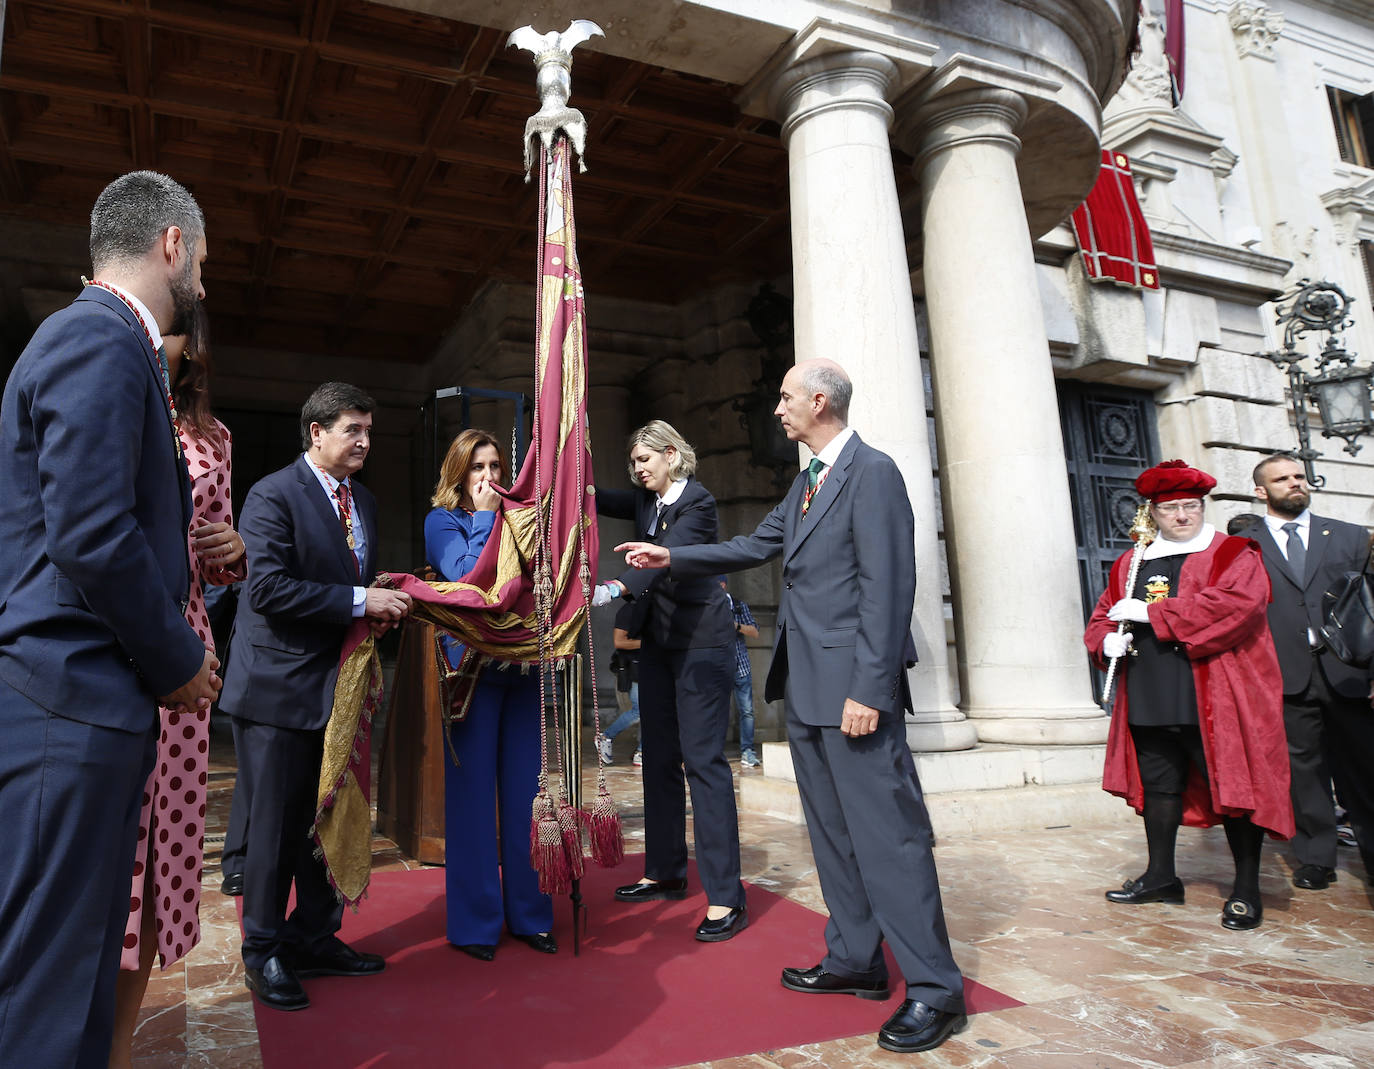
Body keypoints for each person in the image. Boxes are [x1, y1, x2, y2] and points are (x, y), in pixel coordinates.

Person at [614, 361, 966, 1055]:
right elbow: (753, 546)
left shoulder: (874, 471)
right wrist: (669, 557)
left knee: (889, 838)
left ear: (819, 400)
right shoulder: (807, 481)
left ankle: (934, 988)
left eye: (784, 396)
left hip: (853, 694)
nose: (776, 408)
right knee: (832, 836)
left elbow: (890, 587)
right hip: (804, 689)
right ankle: (855, 957)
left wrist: (869, 687)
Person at [0, 170, 221, 1068]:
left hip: (87, 708)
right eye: (202, 259)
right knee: (45, 993)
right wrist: (178, 659)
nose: (204, 280)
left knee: (84, 974)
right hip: (67, 705)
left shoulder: (105, 342)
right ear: (172, 243)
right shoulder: (98, 338)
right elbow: (92, 532)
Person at [219, 381, 411, 1011]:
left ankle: (316, 936)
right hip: (277, 690)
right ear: (317, 433)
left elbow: (345, 587)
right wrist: (361, 601)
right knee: (274, 831)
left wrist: (373, 613)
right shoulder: (272, 494)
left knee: (324, 822)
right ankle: (265, 952)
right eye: (352, 430)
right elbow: (268, 590)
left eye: (368, 430)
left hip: (338, 691)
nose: (364, 441)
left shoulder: (367, 504)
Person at [110, 307, 247, 1068]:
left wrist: (234, 551)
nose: (173, 343)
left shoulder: (214, 438)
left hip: (187, 655)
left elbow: (217, 552)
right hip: (107, 650)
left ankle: (119, 1050)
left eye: (184, 329)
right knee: (105, 857)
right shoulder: (109, 397)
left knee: (161, 861)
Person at [1084, 459, 1294, 931]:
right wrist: (1104, 641)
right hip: (1150, 693)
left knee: (1233, 791)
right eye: (1171, 508)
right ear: (1152, 514)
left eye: (1191, 507)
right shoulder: (1131, 560)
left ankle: (1245, 889)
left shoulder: (1233, 553)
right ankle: (1161, 877)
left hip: (1214, 694)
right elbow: (1104, 614)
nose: (1183, 517)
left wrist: (1155, 615)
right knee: (1160, 787)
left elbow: (1238, 606)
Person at [592, 420, 748, 942]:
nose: (637, 469)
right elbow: (594, 497)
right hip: (657, 647)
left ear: (671, 454)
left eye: (644, 459)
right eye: (633, 462)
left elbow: (663, 561)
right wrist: (562, 478)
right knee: (658, 757)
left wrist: (615, 585)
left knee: (703, 762)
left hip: (701, 646)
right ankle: (663, 871)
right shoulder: (645, 502)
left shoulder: (696, 504)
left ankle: (727, 896)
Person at [423, 428, 555, 961]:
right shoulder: (444, 521)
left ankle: (530, 914)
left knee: (528, 795)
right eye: (478, 468)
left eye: (497, 467)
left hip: (521, 668)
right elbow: (465, 577)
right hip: (471, 673)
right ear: (459, 474)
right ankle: (476, 924)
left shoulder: (521, 522)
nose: (490, 478)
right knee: (473, 799)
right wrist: (483, 519)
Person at [1249, 453, 1374, 889]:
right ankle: (1316, 858)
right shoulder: (1244, 545)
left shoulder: (1352, 538)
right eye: (1282, 479)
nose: (1294, 483)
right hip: (1283, 676)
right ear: (1262, 491)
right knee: (1303, 773)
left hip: (1349, 674)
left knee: (1364, 768)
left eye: (1299, 476)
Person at [721, 577, 761, 767]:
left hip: (741, 666)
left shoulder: (738, 605)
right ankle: (714, 752)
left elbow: (755, 631)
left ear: (723, 585)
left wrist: (735, 625)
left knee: (747, 711)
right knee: (717, 711)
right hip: (718, 668)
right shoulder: (706, 606)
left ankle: (748, 751)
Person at [599, 600, 644, 765]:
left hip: (649, 666)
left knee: (650, 711)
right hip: (637, 667)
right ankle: (606, 736)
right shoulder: (629, 610)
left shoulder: (648, 608)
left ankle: (641, 751)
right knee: (640, 710)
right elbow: (619, 641)